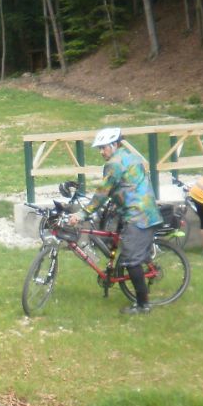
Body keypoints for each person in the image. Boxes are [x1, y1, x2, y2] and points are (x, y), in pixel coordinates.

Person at [70, 127, 163, 315]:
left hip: (137, 216)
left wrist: (82, 214)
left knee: (131, 261)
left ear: (114, 145)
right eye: (99, 148)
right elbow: (127, 185)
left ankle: (143, 305)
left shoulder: (115, 163)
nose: (101, 152)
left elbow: (102, 192)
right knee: (130, 251)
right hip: (145, 210)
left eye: (103, 147)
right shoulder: (131, 157)